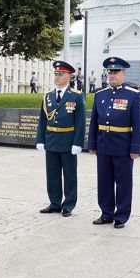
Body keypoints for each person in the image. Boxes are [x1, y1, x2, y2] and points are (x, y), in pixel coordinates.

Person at [88, 57, 140, 229]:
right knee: (104, 181)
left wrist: (135, 148)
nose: (112, 75)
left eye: (116, 72)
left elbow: (139, 124)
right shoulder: (100, 94)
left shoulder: (133, 95)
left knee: (123, 182)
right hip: (104, 145)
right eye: (110, 72)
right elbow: (94, 121)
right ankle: (106, 213)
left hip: (123, 146)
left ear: (124, 73)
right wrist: (92, 144)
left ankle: (121, 215)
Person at [36, 61, 86, 217]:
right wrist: (40, 139)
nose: (57, 77)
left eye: (61, 74)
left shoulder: (77, 96)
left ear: (69, 77)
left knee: (70, 175)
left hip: (68, 140)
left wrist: (78, 143)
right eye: (56, 74)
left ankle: (68, 205)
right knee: (52, 174)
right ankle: (55, 203)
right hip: (51, 140)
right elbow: (43, 120)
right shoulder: (48, 96)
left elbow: (80, 121)